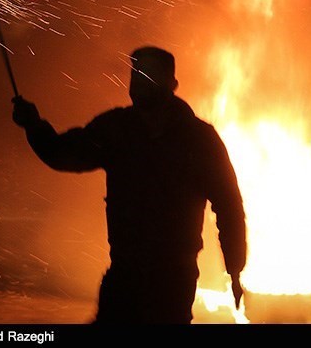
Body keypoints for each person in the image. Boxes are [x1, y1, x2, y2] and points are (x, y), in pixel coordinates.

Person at [12, 46, 247, 324]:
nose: (139, 81)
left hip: (172, 281)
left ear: (171, 84)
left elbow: (229, 206)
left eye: (148, 74)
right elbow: (64, 154)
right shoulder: (116, 129)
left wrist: (234, 270)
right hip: (124, 274)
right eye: (136, 74)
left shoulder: (198, 139)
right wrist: (34, 125)